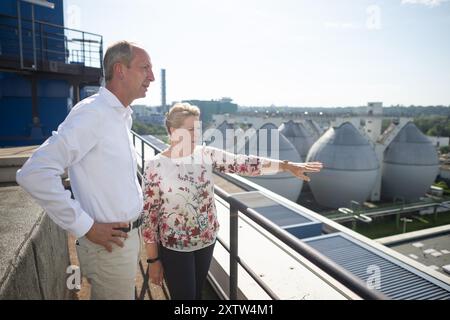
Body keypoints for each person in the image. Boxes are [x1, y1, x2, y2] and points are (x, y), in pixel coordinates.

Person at [16, 41, 155, 300]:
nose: (152, 76)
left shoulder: (120, 115)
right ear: (120, 70)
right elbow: (34, 172)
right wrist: (85, 226)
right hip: (109, 246)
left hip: (126, 240)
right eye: (145, 67)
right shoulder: (94, 114)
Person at [141, 103, 323, 299]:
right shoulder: (155, 166)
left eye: (198, 129)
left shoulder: (205, 154)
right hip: (175, 247)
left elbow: (243, 163)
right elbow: (149, 219)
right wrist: (153, 260)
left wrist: (286, 166)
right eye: (191, 129)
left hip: (206, 240)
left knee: (196, 294)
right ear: (172, 130)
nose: (196, 135)